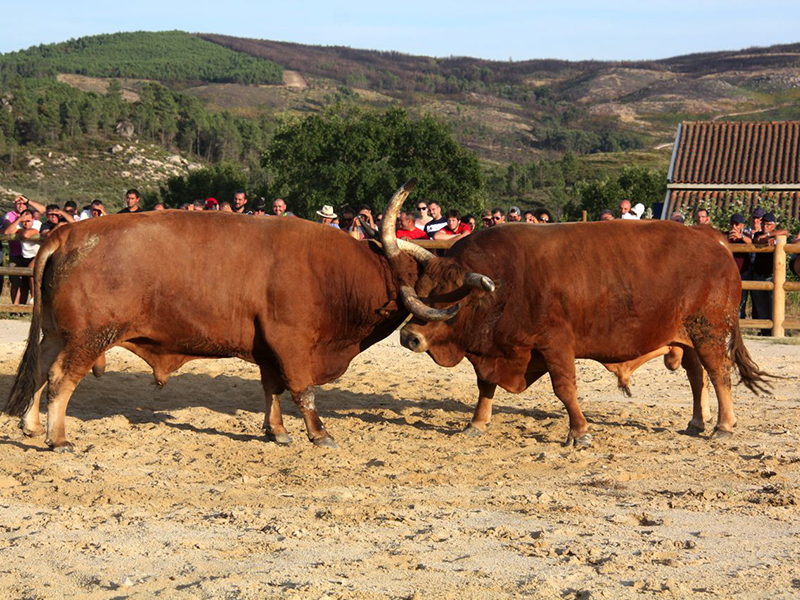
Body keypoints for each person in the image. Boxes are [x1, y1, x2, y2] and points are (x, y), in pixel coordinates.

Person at [3, 195, 46, 300]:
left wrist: (28, 201)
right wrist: (20, 223)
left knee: (27, 283)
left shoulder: (33, 217)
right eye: (18, 203)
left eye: (22, 203)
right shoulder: (10, 215)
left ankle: (25, 306)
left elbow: (42, 210)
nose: (20, 205)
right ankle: (15, 309)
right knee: (15, 281)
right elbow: (7, 231)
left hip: (31, 254)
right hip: (16, 252)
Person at [751, 213, 788, 335]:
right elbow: (758, 239)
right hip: (758, 275)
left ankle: (776, 331)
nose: (765, 226)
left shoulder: (775, 234)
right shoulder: (757, 234)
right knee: (761, 306)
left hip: (772, 277)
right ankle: (765, 331)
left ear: (773, 226)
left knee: (774, 305)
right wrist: (769, 238)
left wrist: (770, 236)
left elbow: (785, 232)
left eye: (768, 224)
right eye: (763, 224)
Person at [725, 213, 752, 318]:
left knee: (741, 300)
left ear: (742, 225)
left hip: (743, 273)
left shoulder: (746, 236)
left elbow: (752, 243)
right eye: (732, 224)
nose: (734, 227)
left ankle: (740, 322)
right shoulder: (725, 235)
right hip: (728, 274)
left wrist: (741, 237)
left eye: (736, 224)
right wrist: (727, 237)